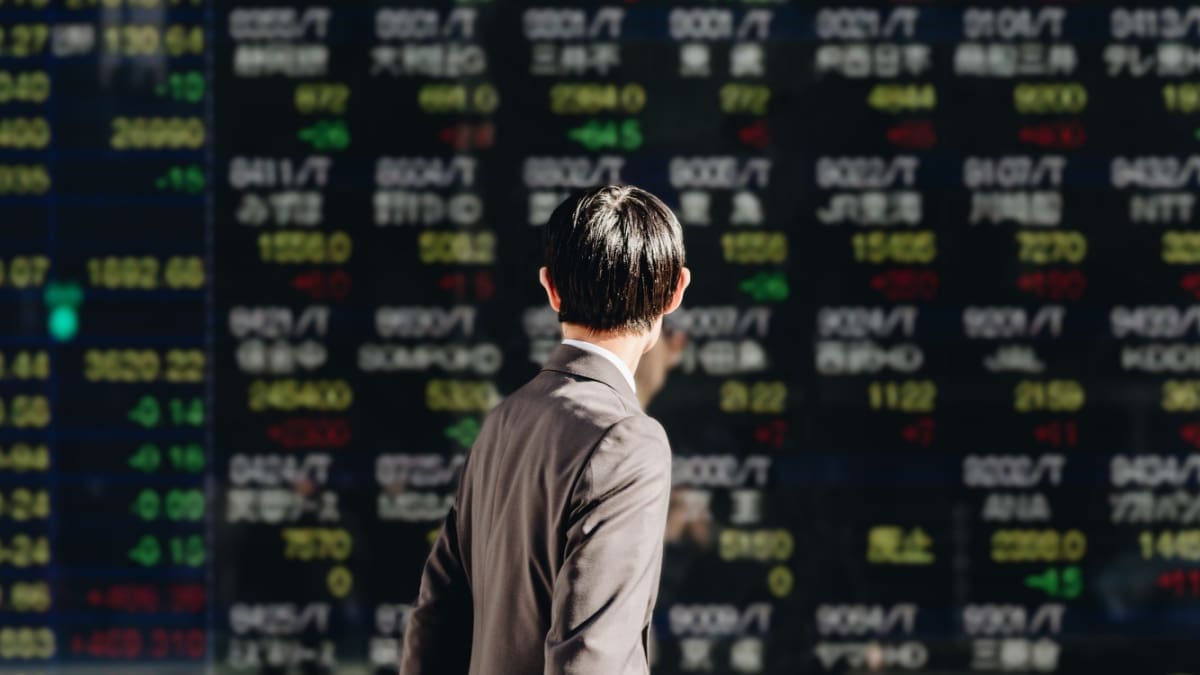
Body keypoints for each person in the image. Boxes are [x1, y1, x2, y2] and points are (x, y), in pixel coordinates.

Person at [400, 184, 691, 674]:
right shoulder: (628, 441)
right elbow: (590, 657)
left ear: (550, 286)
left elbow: (435, 623)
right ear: (676, 291)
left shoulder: (503, 422)